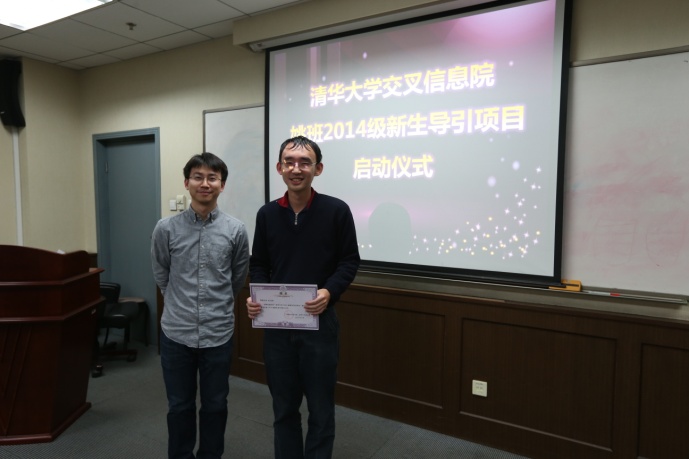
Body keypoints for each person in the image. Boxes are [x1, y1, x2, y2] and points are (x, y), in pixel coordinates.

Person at [247, 136, 361, 459]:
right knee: (284, 409)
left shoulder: (337, 211)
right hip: (277, 329)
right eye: (290, 162)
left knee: (321, 411)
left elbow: (349, 261)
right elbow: (259, 264)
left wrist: (329, 291)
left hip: (319, 325)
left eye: (305, 162)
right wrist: (257, 295)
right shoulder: (267, 214)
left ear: (318, 169)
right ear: (279, 167)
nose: (296, 169)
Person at [151, 152, 250, 459]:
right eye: (198, 177)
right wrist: (179, 301)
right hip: (176, 333)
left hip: (218, 333)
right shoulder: (165, 228)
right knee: (179, 406)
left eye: (212, 178)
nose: (205, 183)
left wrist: (216, 305)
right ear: (187, 183)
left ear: (222, 185)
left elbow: (237, 278)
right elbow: (161, 273)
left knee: (216, 405)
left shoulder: (236, 230)